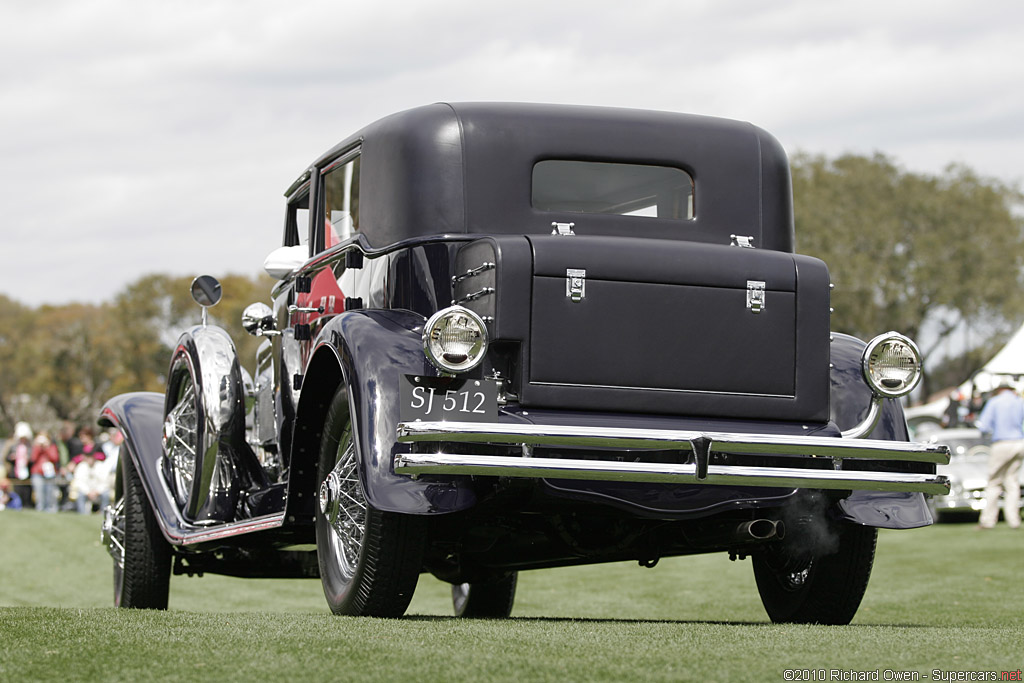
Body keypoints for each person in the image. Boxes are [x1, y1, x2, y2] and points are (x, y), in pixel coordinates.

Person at [973, 382, 1024, 529]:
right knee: (1012, 482)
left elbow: (983, 426)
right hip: (1019, 442)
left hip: (1001, 443)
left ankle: (988, 520)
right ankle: (1014, 520)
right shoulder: (1019, 402)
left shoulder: (994, 402)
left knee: (994, 482)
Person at [71, 449, 110, 514]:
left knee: (106, 494)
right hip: (86, 491)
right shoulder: (81, 466)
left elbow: (105, 482)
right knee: (80, 495)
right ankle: (82, 514)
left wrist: (97, 491)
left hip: (98, 491)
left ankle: (103, 513)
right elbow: (79, 482)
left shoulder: (101, 466)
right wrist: (88, 492)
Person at [29, 432, 60, 512]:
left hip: (50, 473)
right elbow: (33, 458)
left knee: (50, 493)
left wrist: (47, 448)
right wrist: (38, 447)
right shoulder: (36, 447)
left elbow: (55, 458)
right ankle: (40, 508)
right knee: (39, 493)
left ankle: (51, 509)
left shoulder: (52, 447)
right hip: (37, 473)